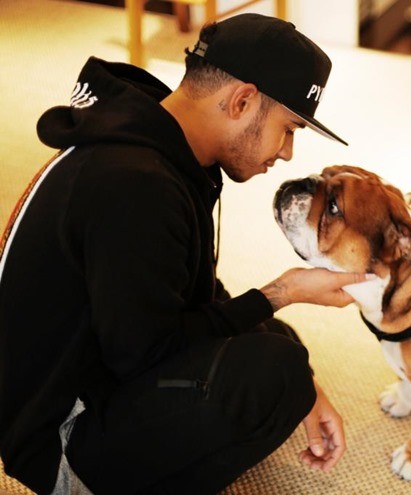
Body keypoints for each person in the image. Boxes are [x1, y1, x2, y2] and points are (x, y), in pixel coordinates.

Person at [0, 13, 368, 495]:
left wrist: (306, 375)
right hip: (59, 435)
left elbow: (188, 292)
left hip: (95, 369)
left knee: (281, 342)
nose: (287, 153)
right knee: (275, 375)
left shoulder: (162, 140)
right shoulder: (134, 184)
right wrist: (281, 292)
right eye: (289, 129)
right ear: (241, 101)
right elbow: (145, 354)